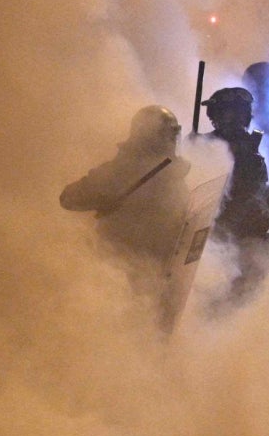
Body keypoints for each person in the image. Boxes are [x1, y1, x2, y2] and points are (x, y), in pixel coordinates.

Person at [61, 105, 191, 306]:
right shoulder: (176, 174)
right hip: (160, 273)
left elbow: (69, 198)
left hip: (118, 270)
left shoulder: (119, 171)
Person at [204, 86, 269, 311]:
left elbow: (253, 184)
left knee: (247, 291)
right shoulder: (206, 146)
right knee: (215, 291)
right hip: (220, 230)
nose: (233, 119)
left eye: (237, 113)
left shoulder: (248, 146)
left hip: (249, 230)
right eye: (228, 113)